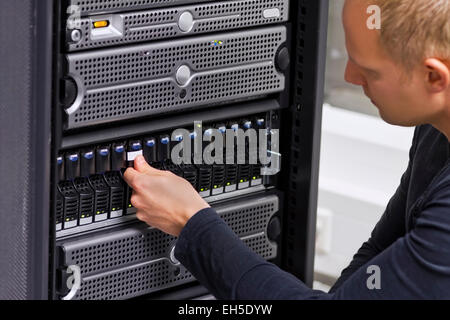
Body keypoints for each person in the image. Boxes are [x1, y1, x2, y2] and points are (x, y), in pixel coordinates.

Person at [123, 0, 450, 299]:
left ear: (434, 77)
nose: (349, 76)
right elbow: (380, 251)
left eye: (369, 71)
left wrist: (190, 220)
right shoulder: (436, 127)